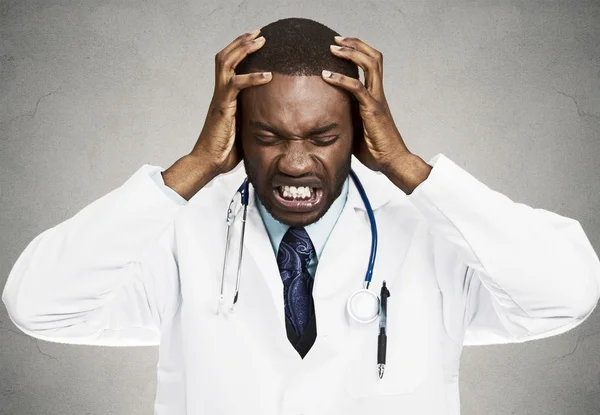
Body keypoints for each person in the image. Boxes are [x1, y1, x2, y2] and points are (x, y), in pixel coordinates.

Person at [2, 17, 600, 415]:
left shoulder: (435, 235)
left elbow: (566, 295)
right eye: (266, 134)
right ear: (233, 131)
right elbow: (38, 306)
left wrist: (408, 168)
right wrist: (191, 168)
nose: (294, 163)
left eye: (322, 136)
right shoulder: (178, 234)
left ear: (361, 132)